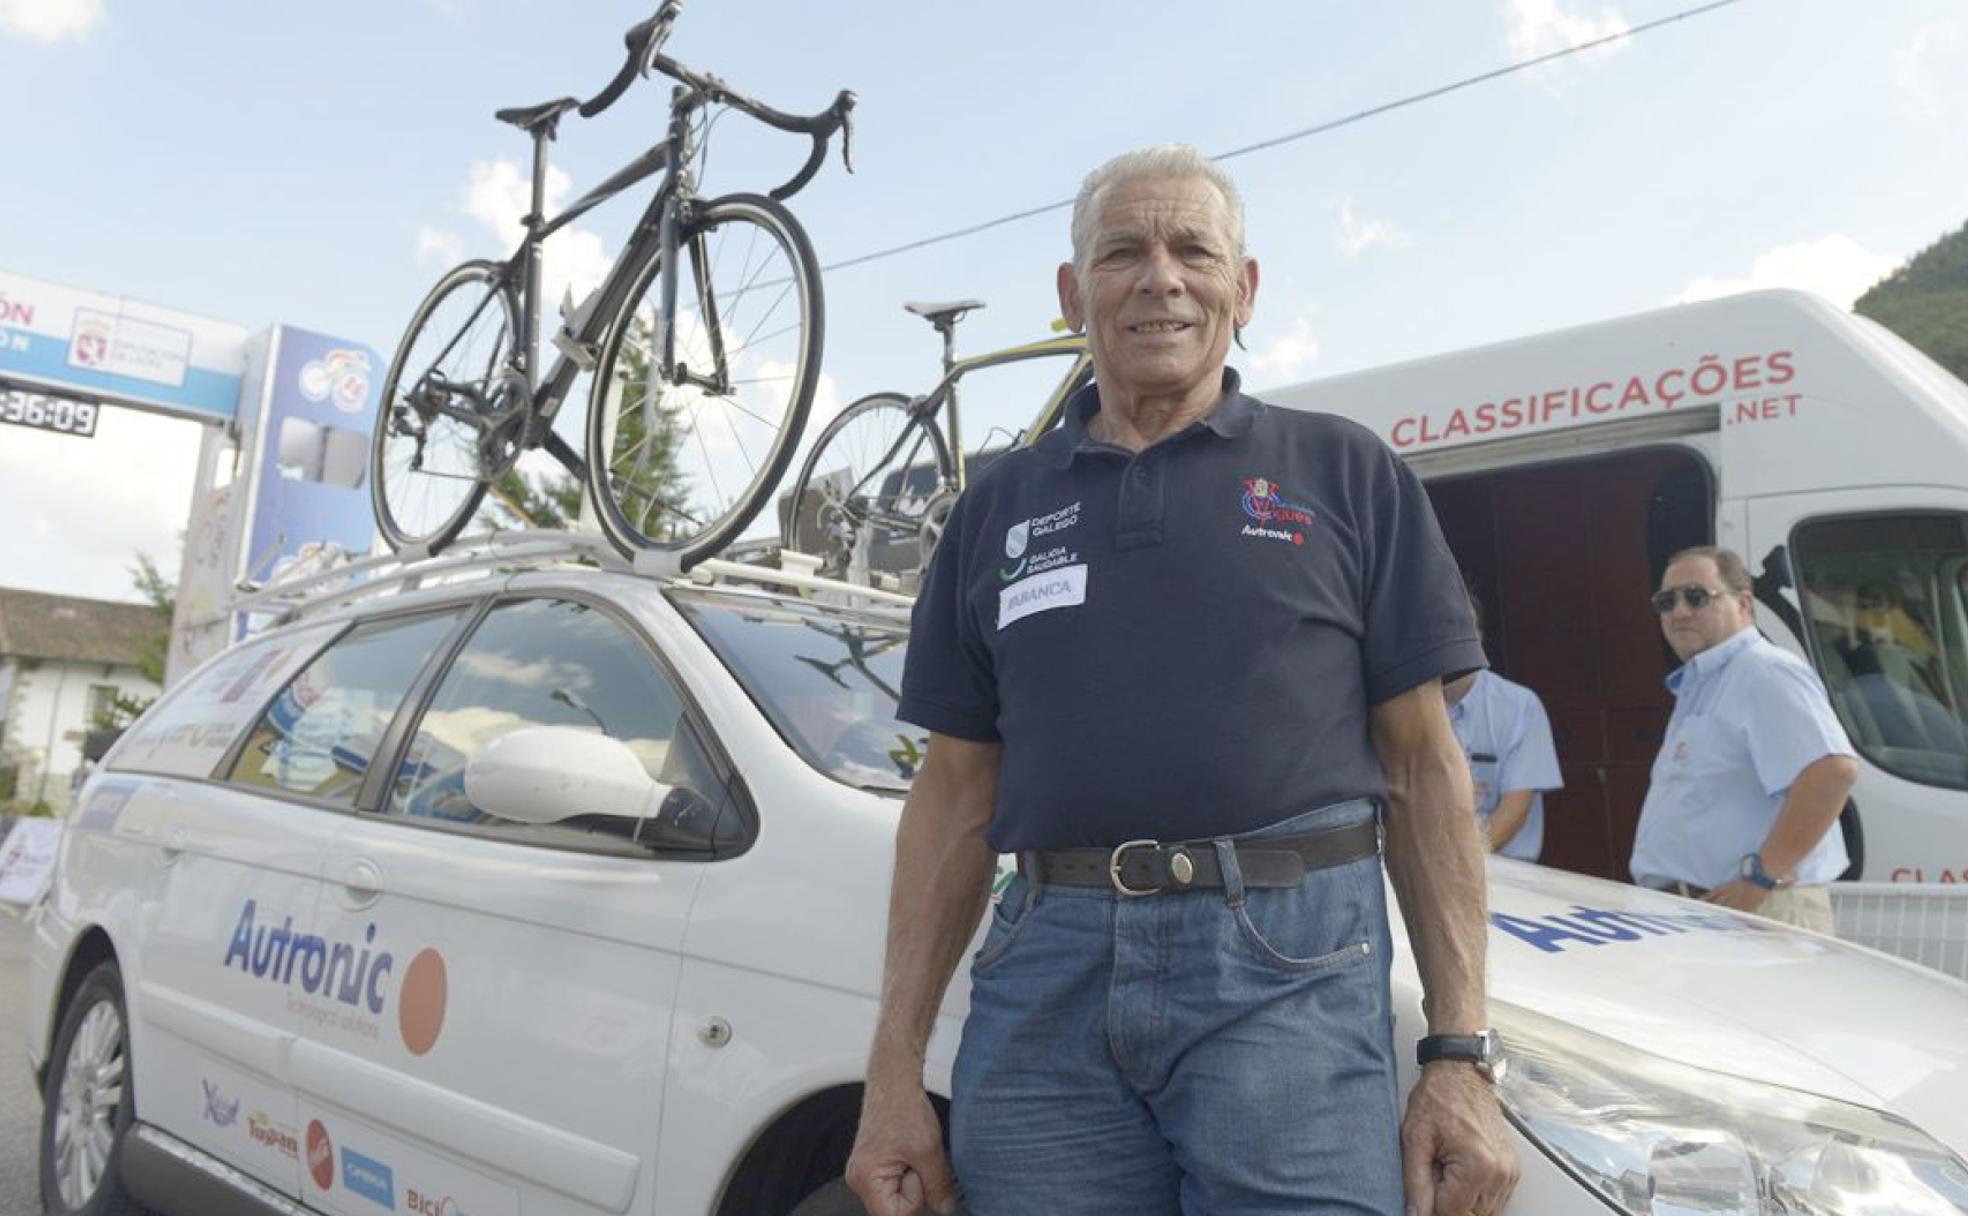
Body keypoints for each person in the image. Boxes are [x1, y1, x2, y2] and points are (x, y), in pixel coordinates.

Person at [846, 144, 1518, 1216]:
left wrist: (1460, 1053)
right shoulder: (991, 510)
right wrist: (893, 1070)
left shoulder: (1345, 471)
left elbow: (1425, 766)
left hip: (1288, 974)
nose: (1161, 275)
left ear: (1242, 290)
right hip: (1045, 980)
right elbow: (953, 794)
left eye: (1193, 249)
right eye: (1123, 252)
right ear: (1075, 296)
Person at [1629, 545, 1859, 932]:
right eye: (1667, 601)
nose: (1680, 611)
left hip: (1759, 911)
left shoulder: (1764, 671)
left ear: (1744, 604)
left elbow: (1832, 771)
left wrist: (1760, 878)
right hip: (1708, 912)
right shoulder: (1705, 682)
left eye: (1697, 596)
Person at [1444, 599, 1562, 862]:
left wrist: (1459, 863)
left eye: (1464, 628)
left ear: (1480, 637)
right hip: (1430, 873)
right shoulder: (1406, 710)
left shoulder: (1521, 706)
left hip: (1507, 874)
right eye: (1442, 628)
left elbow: (1516, 807)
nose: (1453, 639)